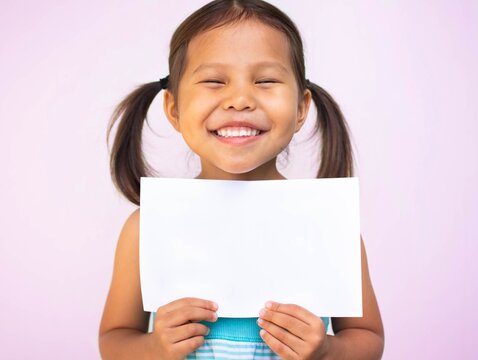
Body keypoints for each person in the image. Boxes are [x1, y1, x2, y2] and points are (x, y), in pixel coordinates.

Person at [99, 0, 384, 359]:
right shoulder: (146, 228)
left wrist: (327, 351)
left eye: (265, 81)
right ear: (174, 109)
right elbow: (114, 340)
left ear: (300, 108)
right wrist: (154, 347)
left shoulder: (327, 224)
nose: (240, 100)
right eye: (214, 81)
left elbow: (367, 338)